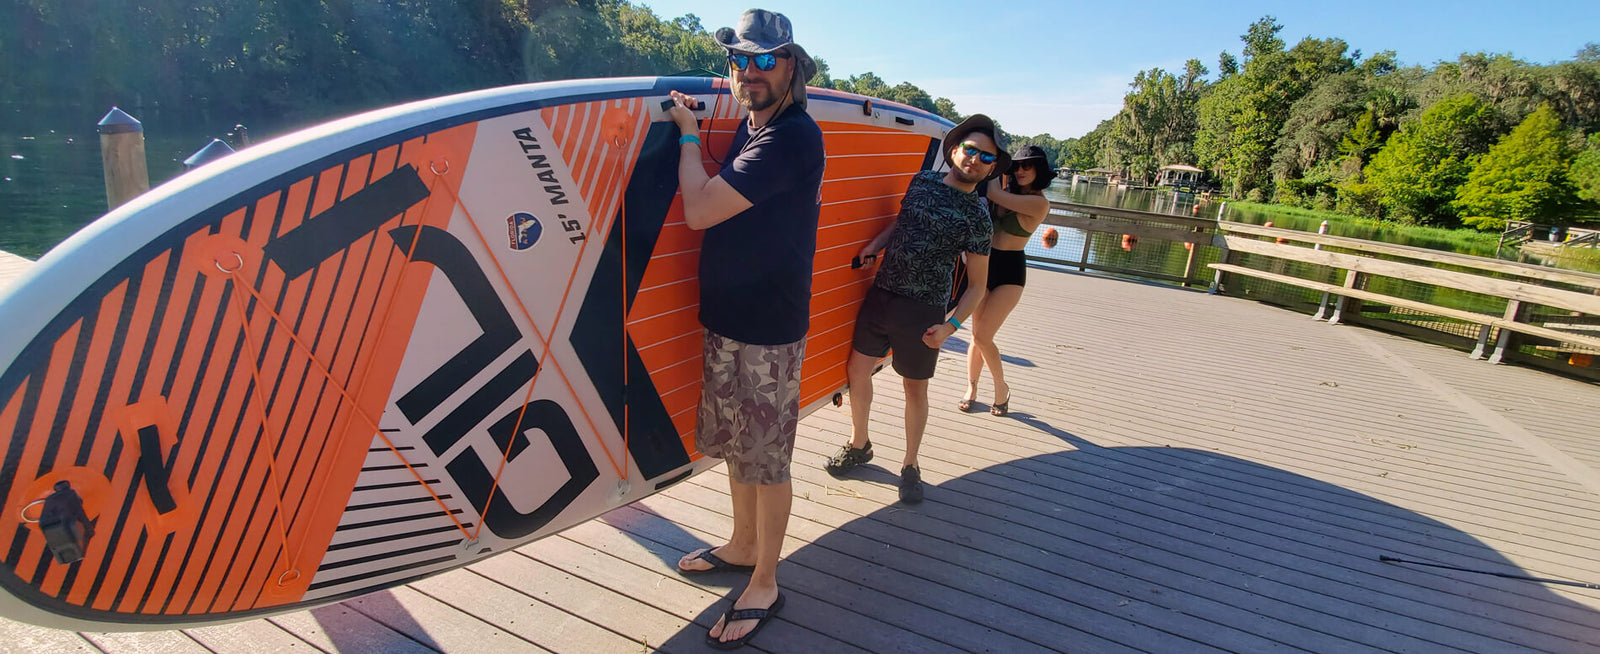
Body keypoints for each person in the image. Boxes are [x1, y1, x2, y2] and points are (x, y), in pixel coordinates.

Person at [662, 8, 823, 650]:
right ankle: (739, 543)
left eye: (765, 59)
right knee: (734, 444)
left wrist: (684, 136)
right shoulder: (757, 128)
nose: (750, 71)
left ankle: (765, 579)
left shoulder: (791, 137)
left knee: (765, 457)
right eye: (741, 60)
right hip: (730, 320)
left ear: (792, 67)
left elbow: (700, 210)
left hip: (768, 331)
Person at [824, 115, 1009, 504]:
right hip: (882, 293)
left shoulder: (977, 217)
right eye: (970, 150)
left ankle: (911, 465)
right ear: (955, 150)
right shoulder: (922, 181)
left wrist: (950, 326)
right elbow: (901, 223)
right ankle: (860, 443)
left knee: (914, 389)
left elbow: (977, 286)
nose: (975, 160)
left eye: (986, 157)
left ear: (992, 167)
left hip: (925, 309)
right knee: (857, 370)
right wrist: (875, 244)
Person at [960, 145, 1055, 416]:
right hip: (985, 264)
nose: (1021, 171)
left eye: (1028, 166)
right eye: (1017, 166)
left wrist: (990, 161)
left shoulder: (1039, 203)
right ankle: (972, 389)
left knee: (982, 335)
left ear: (1039, 169)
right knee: (977, 335)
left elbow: (991, 193)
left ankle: (1001, 389)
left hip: (1011, 271)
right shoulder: (1008, 192)